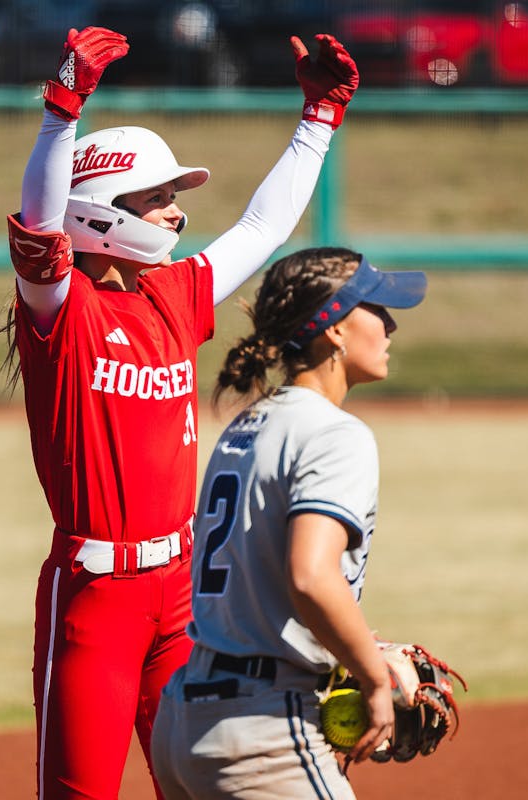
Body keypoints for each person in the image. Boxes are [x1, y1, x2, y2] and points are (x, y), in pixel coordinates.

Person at [1, 24, 359, 800]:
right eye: (157, 197)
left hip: (182, 594)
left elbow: (263, 229)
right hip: (95, 599)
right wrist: (61, 114)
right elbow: (38, 226)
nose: (174, 213)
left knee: (204, 788)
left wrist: (318, 120)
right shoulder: (62, 313)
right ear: (100, 212)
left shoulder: (173, 294)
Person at [150, 247, 428, 799]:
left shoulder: (247, 426)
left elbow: (263, 584)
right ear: (337, 331)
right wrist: (373, 675)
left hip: (185, 720)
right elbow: (310, 576)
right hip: (262, 735)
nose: (391, 325)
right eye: (377, 308)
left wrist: (347, 646)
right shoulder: (334, 434)